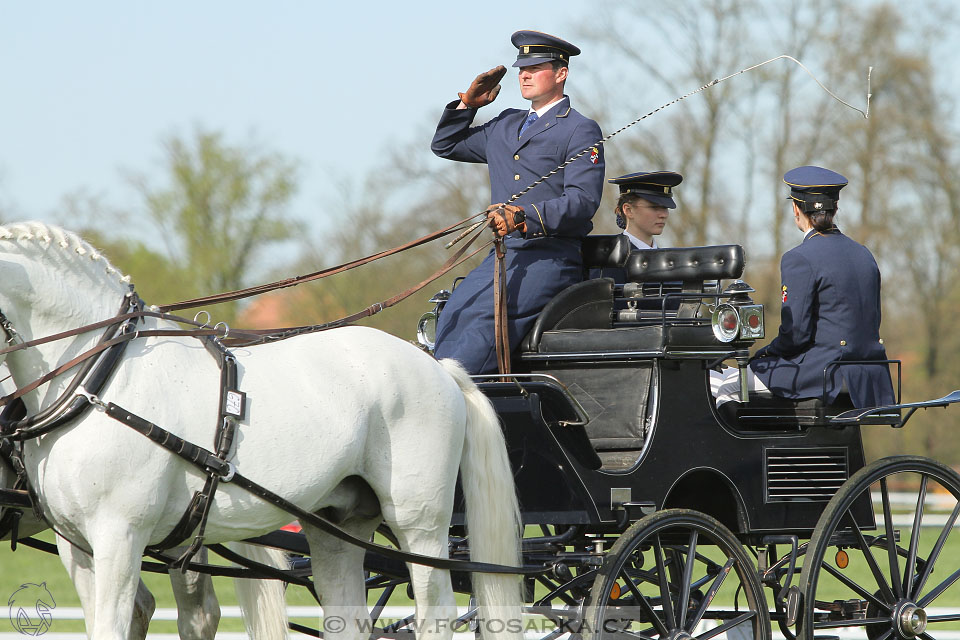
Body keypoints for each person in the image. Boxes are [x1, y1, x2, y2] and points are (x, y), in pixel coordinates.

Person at [430, 30, 605, 374]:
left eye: (535, 67)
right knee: (451, 317)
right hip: (502, 255)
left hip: (549, 258)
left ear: (560, 73)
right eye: (521, 67)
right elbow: (446, 146)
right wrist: (468, 105)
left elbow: (583, 201)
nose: (524, 74)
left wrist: (525, 216)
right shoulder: (505, 123)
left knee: (482, 332)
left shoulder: (579, 129)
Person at [713, 165, 895, 408]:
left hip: (823, 372)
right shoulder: (864, 254)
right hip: (871, 374)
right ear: (836, 208)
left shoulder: (799, 258)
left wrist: (766, 353)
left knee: (729, 389)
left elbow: (795, 335)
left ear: (795, 208)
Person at [592, 171, 682, 282]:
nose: (663, 215)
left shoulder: (671, 264)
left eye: (665, 208)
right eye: (654, 207)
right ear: (628, 210)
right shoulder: (610, 262)